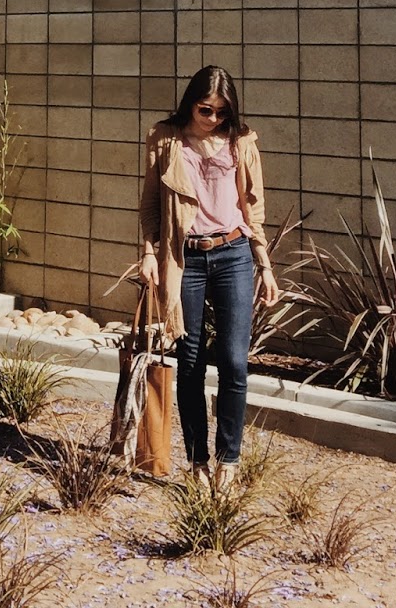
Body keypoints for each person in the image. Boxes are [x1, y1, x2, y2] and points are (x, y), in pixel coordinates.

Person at [138, 65, 281, 490]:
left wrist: (264, 264)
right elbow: (149, 204)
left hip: (234, 252)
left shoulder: (242, 141)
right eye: (206, 109)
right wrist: (149, 253)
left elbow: (253, 205)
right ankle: (197, 459)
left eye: (222, 112)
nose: (213, 118)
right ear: (191, 103)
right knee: (191, 362)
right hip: (186, 259)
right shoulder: (165, 138)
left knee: (235, 361)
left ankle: (229, 459)